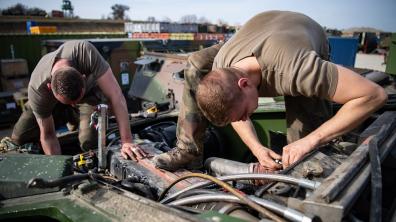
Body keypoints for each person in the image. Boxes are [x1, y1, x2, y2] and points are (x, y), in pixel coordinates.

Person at [151, 11, 387, 171]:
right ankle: (188, 150)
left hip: (301, 33)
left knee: (306, 146)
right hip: (261, 30)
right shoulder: (221, 68)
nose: (245, 119)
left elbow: (374, 95)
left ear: (244, 84)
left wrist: (310, 141)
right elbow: (234, 107)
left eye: (244, 114)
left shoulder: (298, 71)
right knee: (195, 64)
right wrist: (257, 148)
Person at [11, 40, 147, 160]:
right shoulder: (37, 89)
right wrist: (59, 168)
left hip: (88, 98)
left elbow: (116, 95)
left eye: (75, 102)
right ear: (49, 87)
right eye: (70, 104)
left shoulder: (85, 52)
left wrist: (127, 141)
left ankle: (80, 119)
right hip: (51, 104)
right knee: (19, 137)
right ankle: (71, 116)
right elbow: (48, 135)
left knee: (89, 143)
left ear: (83, 76)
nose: (73, 105)